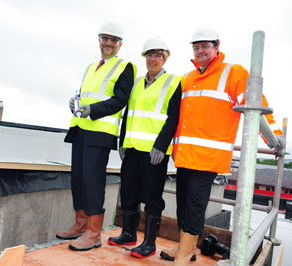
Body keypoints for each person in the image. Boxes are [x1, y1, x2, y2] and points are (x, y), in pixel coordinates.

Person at [159, 26, 285, 265]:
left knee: (195, 205)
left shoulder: (233, 73)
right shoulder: (189, 77)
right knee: (184, 204)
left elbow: (255, 104)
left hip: (208, 157)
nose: (200, 51)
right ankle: (185, 247)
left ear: (217, 46)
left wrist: (274, 136)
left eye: (205, 46)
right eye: (196, 47)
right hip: (185, 155)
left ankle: (185, 253)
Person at [56, 22, 136, 252]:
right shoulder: (91, 66)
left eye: (113, 40)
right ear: (99, 40)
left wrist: (94, 110)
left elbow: (120, 100)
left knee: (92, 180)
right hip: (80, 128)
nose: (108, 43)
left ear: (119, 45)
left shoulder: (125, 67)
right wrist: (76, 102)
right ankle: (80, 224)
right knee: (78, 179)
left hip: (100, 131)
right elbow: (87, 95)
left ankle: (93, 233)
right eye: (104, 38)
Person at [108, 37, 182, 258]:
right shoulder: (136, 83)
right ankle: (129, 233)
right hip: (131, 148)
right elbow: (128, 114)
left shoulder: (174, 82)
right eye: (150, 54)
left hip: (154, 152)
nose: (153, 59)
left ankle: (149, 243)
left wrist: (161, 146)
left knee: (152, 197)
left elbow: (173, 118)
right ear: (145, 57)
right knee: (129, 192)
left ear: (165, 58)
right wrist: (122, 141)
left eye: (158, 55)